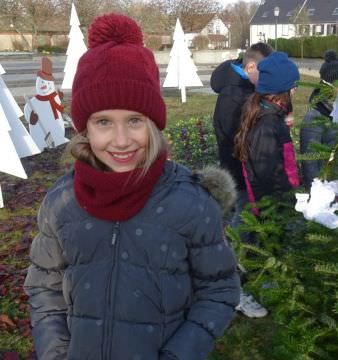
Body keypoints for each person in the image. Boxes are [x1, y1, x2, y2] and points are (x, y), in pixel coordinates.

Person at [23, 13, 240, 360]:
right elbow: (44, 287)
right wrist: (57, 353)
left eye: (135, 120)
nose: (121, 140)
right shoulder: (62, 203)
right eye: (104, 122)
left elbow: (219, 290)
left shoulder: (190, 203)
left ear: (153, 124)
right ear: (85, 129)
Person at [211, 43, 273, 319]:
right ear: (250, 68)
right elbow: (233, 137)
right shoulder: (231, 95)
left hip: (252, 172)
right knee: (242, 221)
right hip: (239, 173)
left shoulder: (248, 88)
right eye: (265, 73)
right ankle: (233, 285)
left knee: (252, 220)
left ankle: (251, 266)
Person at [234, 51, 300, 212]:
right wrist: (289, 200)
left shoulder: (274, 115)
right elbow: (268, 175)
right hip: (273, 211)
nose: (296, 90)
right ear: (282, 90)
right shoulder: (267, 125)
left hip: (279, 204)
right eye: (294, 86)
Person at [300, 50, 338, 189]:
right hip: (328, 188)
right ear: (327, 86)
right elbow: (310, 161)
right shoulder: (315, 117)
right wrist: (317, 193)